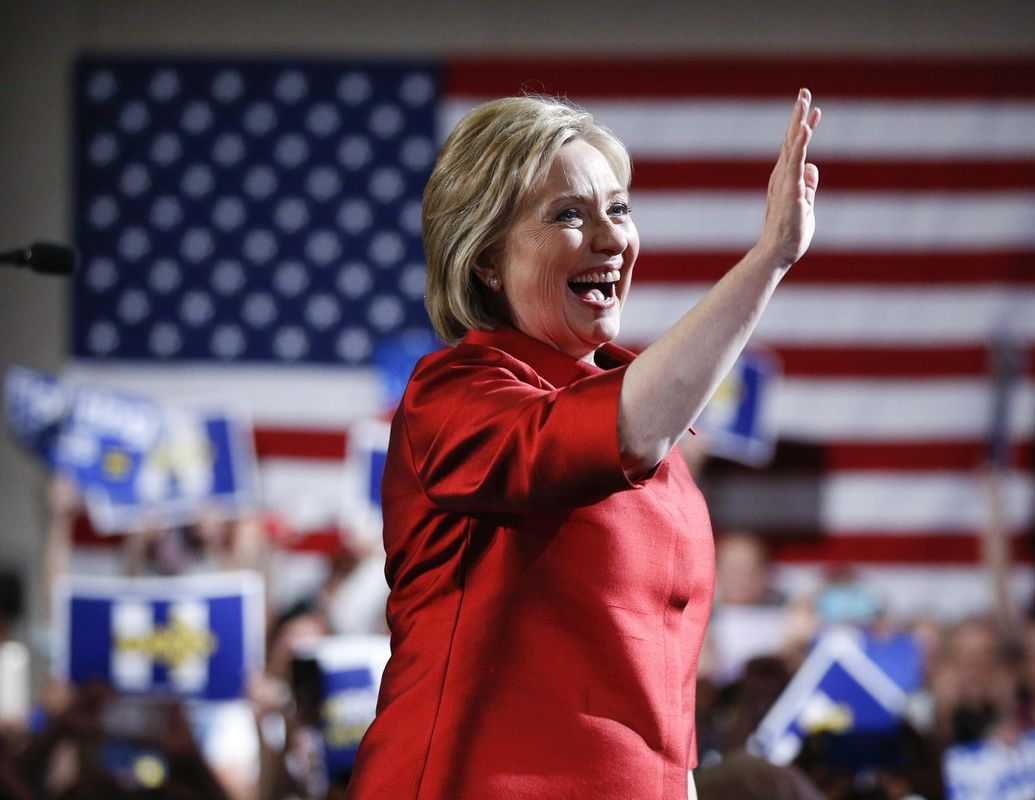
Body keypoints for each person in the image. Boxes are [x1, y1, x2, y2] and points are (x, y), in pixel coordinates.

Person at [347, 89, 820, 799]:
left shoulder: (651, 413)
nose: (611, 237)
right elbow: (601, 436)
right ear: (485, 259)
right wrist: (767, 260)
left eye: (619, 208)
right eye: (568, 214)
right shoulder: (451, 395)